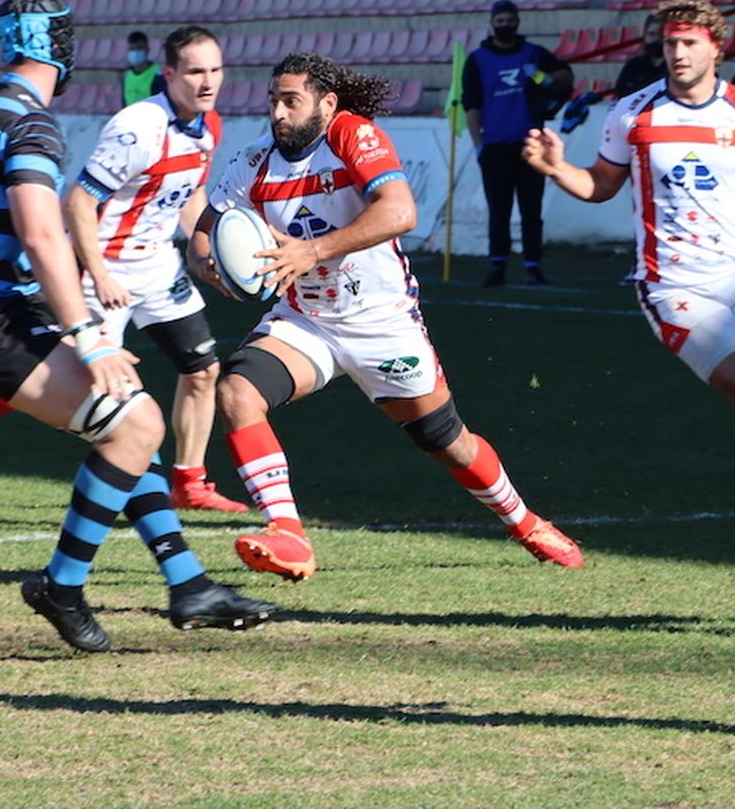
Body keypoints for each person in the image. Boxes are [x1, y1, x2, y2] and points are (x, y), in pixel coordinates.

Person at [0, 0, 274, 651]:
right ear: (60, 46)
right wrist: (85, 334)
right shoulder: (31, 122)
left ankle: (188, 582)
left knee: (128, 426)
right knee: (136, 420)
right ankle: (63, 584)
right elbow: (42, 234)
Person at [186, 51, 583, 581]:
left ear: (327, 104)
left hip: (382, 322)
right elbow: (204, 231)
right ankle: (288, 534)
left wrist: (312, 251)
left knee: (447, 442)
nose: (278, 114)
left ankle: (525, 522)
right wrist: (209, 264)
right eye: (273, 102)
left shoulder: (353, 136)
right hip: (307, 321)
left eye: (291, 101)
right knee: (237, 392)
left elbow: (400, 212)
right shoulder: (254, 160)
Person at [522, 0, 735, 534]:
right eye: (670, 43)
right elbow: (601, 186)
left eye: (689, 43)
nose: (677, 53)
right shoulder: (634, 111)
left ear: (716, 48)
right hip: (673, 286)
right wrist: (558, 169)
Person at [0, 24, 248, 514]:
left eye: (216, 70)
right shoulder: (137, 127)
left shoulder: (210, 124)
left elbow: (190, 194)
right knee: (107, 390)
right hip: (103, 266)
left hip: (157, 265)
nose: (208, 82)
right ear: (169, 73)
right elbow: (77, 203)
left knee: (203, 370)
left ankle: (190, 483)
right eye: (196, 71)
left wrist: (202, 249)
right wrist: (99, 271)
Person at [461, 0, 572, 286]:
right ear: (492, 23)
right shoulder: (477, 60)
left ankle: (533, 266)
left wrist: (538, 76)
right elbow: (472, 107)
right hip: (495, 146)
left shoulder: (534, 53)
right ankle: (497, 266)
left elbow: (564, 77)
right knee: (499, 209)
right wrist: (479, 145)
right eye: (500, 21)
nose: (505, 26)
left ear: (518, 21)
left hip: (531, 145)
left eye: (510, 20)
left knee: (531, 210)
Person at [614, 15, 667, 96]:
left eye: (660, 35)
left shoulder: (674, 66)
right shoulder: (634, 65)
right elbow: (621, 92)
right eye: (652, 34)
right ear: (645, 35)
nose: (656, 39)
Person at [120, 30, 166, 105]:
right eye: (132, 49)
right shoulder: (127, 75)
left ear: (147, 50)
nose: (135, 52)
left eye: (139, 48)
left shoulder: (157, 74)